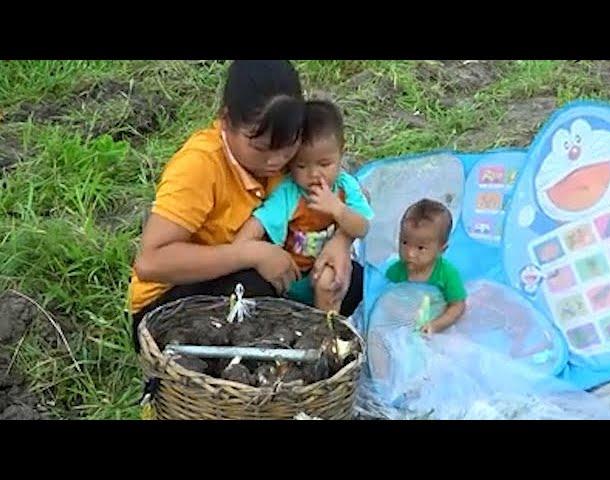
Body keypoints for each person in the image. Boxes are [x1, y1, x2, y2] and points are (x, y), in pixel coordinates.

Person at [128, 61, 361, 351]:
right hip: (171, 304)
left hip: (257, 271)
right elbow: (151, 263)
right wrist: (249, 253)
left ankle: (295, 347)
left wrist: (340, 240)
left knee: (348, 279)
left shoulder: (292, 146)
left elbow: (348, 192)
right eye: (261, 149)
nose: (276, 161)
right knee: (256, 288)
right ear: (226, 121)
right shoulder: (200, 165)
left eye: (287, 146)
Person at [234, 100, 373, 312]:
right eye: (301, 165)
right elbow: (258, 224)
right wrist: (246, 249)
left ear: (341, 153)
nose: (314, 174)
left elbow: (362, 227)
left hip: (326, 271)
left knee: (338, 281)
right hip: (291, 275)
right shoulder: (289, 193)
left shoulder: (345, 186)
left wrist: (337, 209)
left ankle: (326, 329)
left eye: (324, 164)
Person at [385, 198, 466, 334]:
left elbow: (458, 306)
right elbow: (387, 299)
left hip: (437, 323)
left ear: (442, 249)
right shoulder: (396, 271)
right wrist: (397, 312)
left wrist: (436, 325)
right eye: (404, 242)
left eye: (420, 248)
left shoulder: (447, 274)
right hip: (407, 321)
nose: (410, 253)